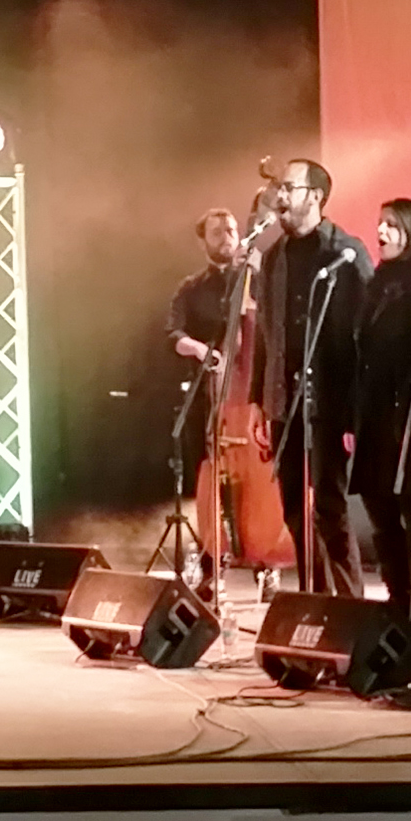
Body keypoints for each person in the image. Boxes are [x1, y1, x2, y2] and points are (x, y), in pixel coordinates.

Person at [246, 159, 369, 595]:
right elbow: (265, 333)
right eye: (278, 189)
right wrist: (258, 399)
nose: (279, 196)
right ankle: (314, 600)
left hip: (330, 401)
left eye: (289, 188)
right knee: (295, 508)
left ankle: (350, 606)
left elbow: (363, 335)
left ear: (315, 196)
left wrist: (356, 409)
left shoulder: (345, 253)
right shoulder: (274, 256)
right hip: (285, 400)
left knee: (329, 508)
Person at [351, 197, 411, 625]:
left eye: (391, 224)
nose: (381, 232)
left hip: (410, 411)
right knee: (380, 510)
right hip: (374, 411)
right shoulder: (377, 280)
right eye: (379, 223)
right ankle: (398, 601)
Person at [164, 205, 247, 560]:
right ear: (203, 242)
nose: (227, 238)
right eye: (217, 233)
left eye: (231, 230)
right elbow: (173, 334)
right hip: (207, 393)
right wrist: (200, 349)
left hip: (249, 397)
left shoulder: (253, 281)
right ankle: (213, 551)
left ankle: (262, 554)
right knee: (207, 469)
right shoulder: (191, 288)